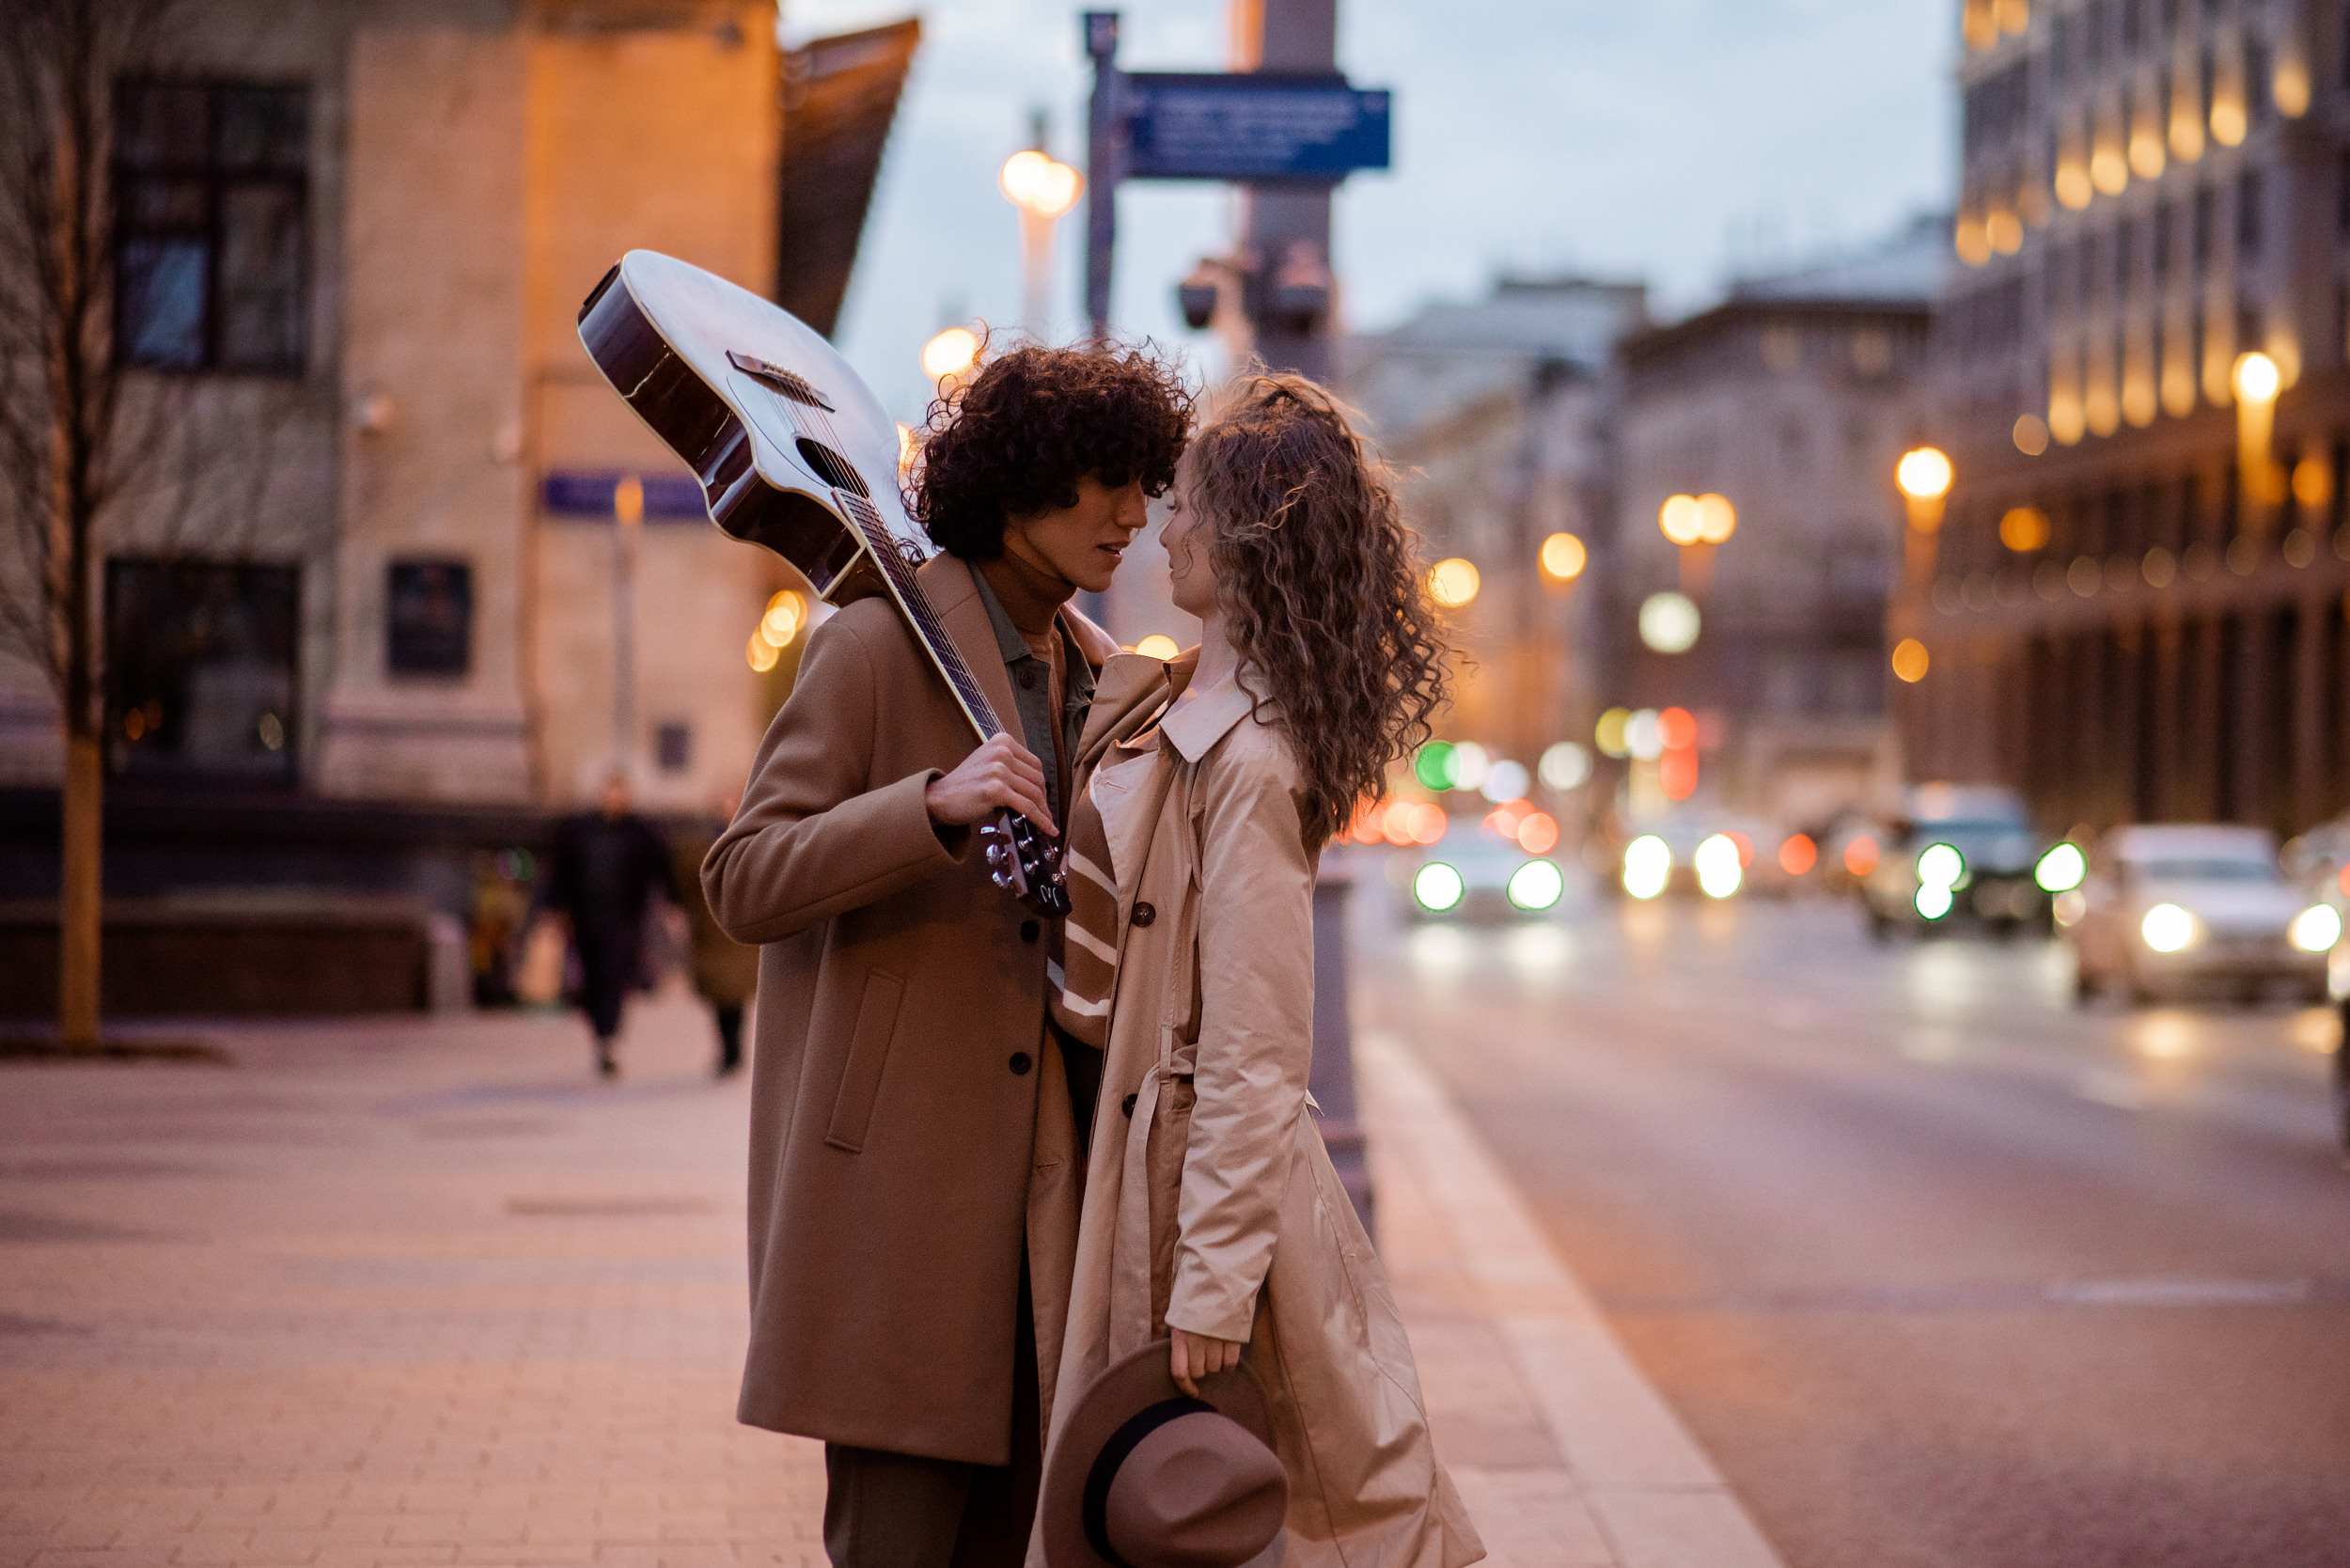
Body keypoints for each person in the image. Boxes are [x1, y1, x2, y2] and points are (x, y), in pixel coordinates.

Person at [701, 343, 1194, 1568]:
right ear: (1016, 486)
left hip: (1050, 1215)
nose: (1131, 514)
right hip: (899, 1203)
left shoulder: (1098, 677)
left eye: (1142, 484)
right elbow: (743, 879)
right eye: (1102, 482)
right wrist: (925, 806)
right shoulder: (876, 647)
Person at [1042, 374, 1483, 1566]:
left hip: (1195, 1189)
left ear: (1244, 536)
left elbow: (1254, 1043)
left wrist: (1212, 1282)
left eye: (1186, 506)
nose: (1164, 528)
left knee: (1236, 1513)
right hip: (1163, 1166)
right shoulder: (1196, 711)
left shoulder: (1249, 759)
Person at [540, 770, 678, 1079]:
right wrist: (552, 908)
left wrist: (672, 905)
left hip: (625, 920)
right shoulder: (578, 830)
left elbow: (662, 871)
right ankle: (601, 1032)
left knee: (616, 977)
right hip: (586, 919)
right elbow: (560, 872)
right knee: (592, 979)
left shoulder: (641, 833)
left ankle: (609, 1038)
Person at [669, 793, 760, 1076]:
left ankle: (733, 1049)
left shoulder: (752, 841)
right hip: (709, 930)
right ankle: (728, 1048)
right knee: (719, 996)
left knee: (735, 994)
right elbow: (684, 887)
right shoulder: (700, 848)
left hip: (737, 931)